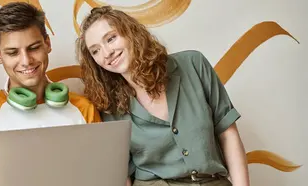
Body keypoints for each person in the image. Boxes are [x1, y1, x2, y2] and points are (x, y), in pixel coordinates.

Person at [76, 5, 250, 186]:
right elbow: (122, 173)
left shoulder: (193, 65)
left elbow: (228, 135)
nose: (107, 53)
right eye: (95, 50)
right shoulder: (109, 105)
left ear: (130, 33)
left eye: (111, 38)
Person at [0, 2, 101, 163]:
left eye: (33, 48)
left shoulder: (84, 109)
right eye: (13, 52)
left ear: (47, 44)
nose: (26, 61)